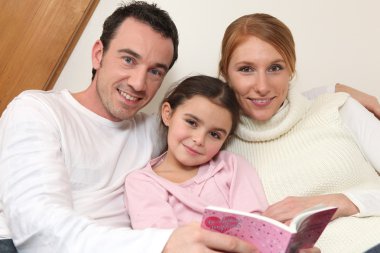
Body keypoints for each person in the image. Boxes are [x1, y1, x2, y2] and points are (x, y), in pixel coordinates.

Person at [0, 2, 260, 253]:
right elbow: (38, 228)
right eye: (128, 60)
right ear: (98, 54)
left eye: (155, 71)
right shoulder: (37, 110)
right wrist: (161, 244)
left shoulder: (156, 129)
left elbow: (216, 122)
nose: (138, 83)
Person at [219, 13, 380, 252]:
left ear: (291, 70)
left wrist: (339, 203)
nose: (262, 86)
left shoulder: (337, 108)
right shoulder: (215, 149)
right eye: (246, 69)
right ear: (225, 74)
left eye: (275, 68)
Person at [124, 75, 268, 229]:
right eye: (192, 123)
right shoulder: (143, 182)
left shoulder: (232, 166)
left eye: (214, 135)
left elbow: (257, 226)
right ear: (168, 114)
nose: (199, 140)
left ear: (225, 140)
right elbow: (163, 241)